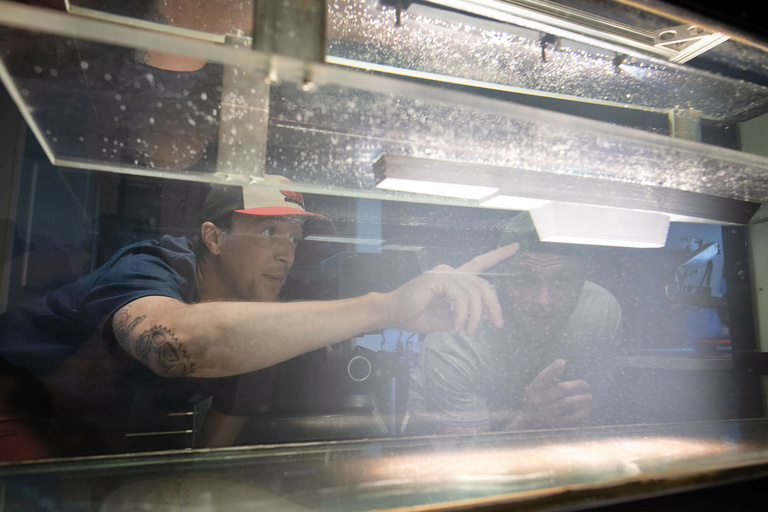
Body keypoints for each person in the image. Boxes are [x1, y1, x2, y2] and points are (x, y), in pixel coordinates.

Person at [0, 174, 519, 459]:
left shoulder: (259, 328)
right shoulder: (152, 265)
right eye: (270, 232)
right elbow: (173, 346)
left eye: (294, 237)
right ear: (212, 238)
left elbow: (210, 454)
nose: (287, 253)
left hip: (87, 432)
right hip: (15, 404)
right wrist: (384, 309)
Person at [403, 212, 622, 435]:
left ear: (581, 283)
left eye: (562, 280)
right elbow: (462, 458)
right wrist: (529, 424)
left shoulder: (599, 311)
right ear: (498, 281)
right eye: (524, 280)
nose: (543, 300)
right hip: (435, 452)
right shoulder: (458, 329)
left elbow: (585, 414)